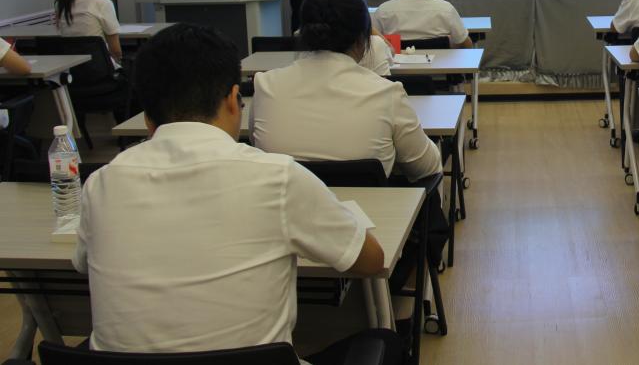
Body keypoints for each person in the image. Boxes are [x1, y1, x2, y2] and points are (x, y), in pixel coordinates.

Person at [73, 23, 400, 363]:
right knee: (383, 342)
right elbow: (370, 261)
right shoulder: (278, 177)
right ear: (233, 100)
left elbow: (83, 264)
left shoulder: (101, 183)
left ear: (148, 119)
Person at [252, 0, 442, 180]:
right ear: (362, 38)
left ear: (304, 33)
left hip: (284, 200)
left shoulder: (265, 86)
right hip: (367, 201)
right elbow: (426, 168)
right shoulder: (387, 94)